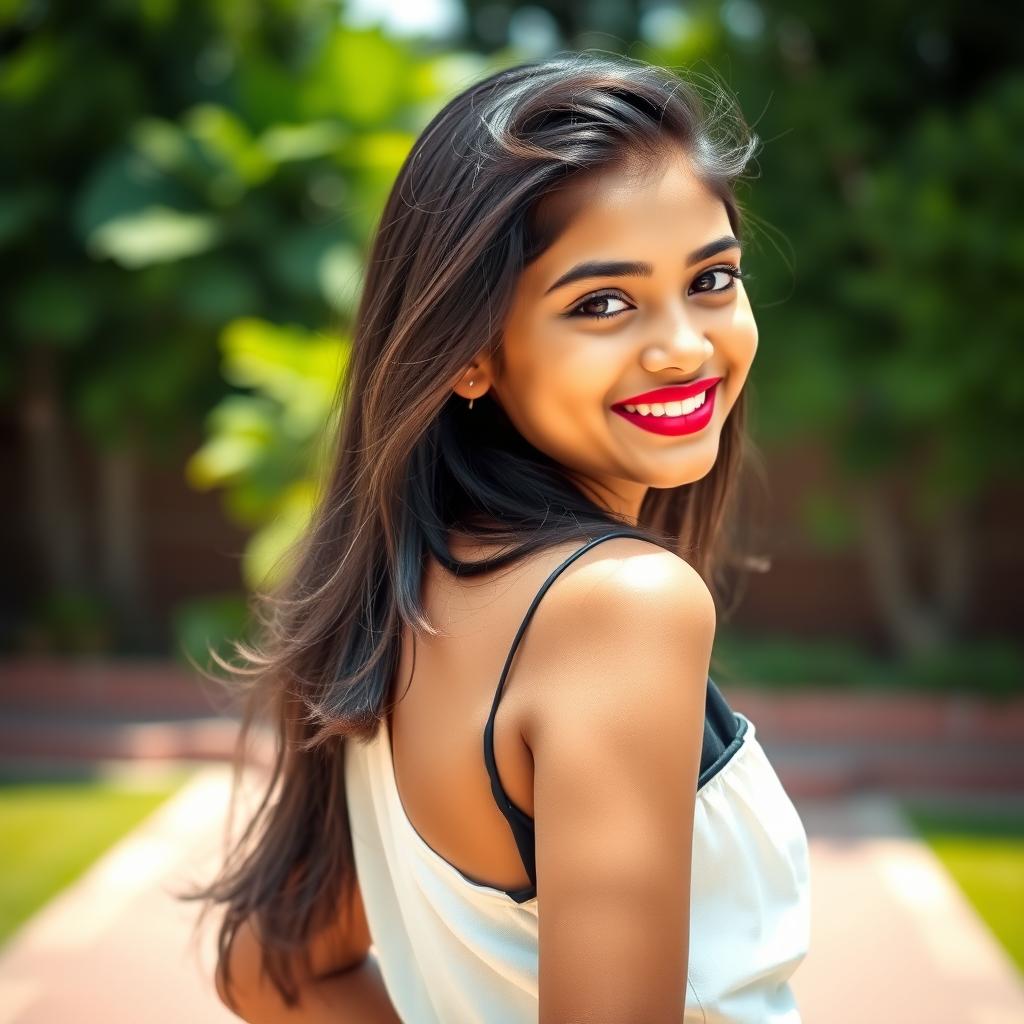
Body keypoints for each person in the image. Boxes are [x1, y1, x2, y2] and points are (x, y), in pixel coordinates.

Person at [184, 50, 812, 1023]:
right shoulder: (620, 608)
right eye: (601, 302)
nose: (685, 345)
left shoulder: (397, 597)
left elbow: (276, 966)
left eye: (712, 278)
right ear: (472, 354)